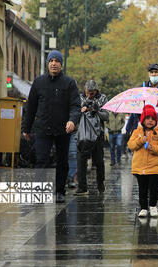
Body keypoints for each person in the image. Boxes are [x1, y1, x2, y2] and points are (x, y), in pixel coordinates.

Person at [22, 50, 81, 203]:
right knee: (41, 160)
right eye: (51, 61)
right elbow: (31, 107)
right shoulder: (39, 82)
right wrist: (26, 128)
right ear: (48, 64)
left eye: (57, 61)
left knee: (62, 161)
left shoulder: (69, 83)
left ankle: (59, 191)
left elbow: (75, 106)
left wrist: (72, 121)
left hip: (63, 130)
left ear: (61, 64)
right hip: (42, 129)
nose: (54, 63)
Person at [126, 63, 158, 194]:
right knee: (146, 153)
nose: (154, 75)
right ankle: (148, 182)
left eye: (156, 72)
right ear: (149, 74)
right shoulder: (142, 88)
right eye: (152, 72)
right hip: (145, 124)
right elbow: (136, 108)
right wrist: (133, 126)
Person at [128, 105, 158, 217]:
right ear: (142, 120)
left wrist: (153, 148)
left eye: (153, 119)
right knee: (142, 188)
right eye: (147, 118)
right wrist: (141, 140)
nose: (150, 121)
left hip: (154, 166)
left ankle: (153, 206)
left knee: (154, 188)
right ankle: (144, 207)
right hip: (140, 167)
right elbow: (131, 145)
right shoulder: (137, 132)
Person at [74, 80, 109, 195]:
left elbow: (106, 116)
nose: (89, 95)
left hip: (98, 134)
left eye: (92, 93)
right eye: (87, 93)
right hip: (83, 134)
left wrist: (97, 110)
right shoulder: (80, 98)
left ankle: (100, 184)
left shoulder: (102, 98)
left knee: (98, 161)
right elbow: (75, 114)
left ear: (96, 91)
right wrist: (82, 110)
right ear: (84, 90)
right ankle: (82, 187)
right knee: (81, 160)